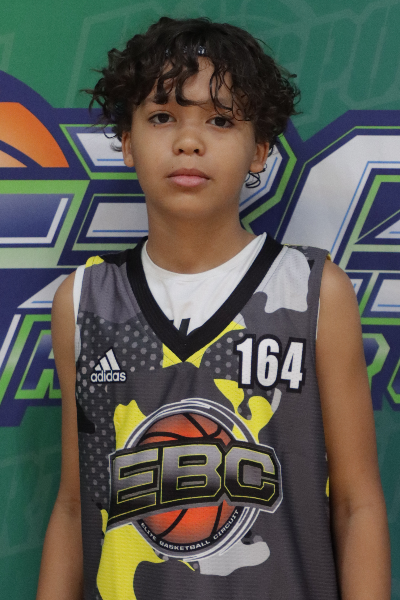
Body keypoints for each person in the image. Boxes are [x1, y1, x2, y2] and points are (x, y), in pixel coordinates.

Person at [36, 16, 390, 600]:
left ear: (260, 150)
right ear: (127, 141)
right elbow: (76, 507)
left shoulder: (313, 291)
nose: (188, 140)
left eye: (220, 119)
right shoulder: (84, 301)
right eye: (162, 117)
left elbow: (357, 506)